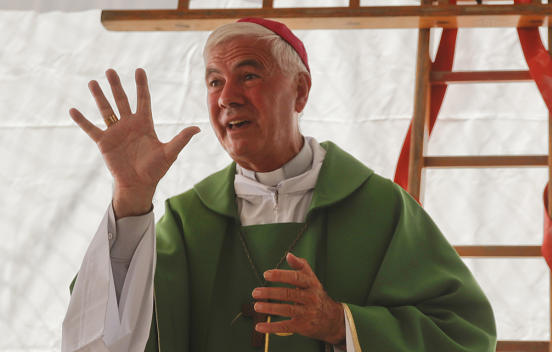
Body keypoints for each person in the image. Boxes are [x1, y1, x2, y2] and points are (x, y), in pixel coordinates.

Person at [62, 18, 497, 351]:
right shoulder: (187, 221)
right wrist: (131, 197)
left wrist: (339, 322)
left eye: (248, 75)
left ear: (301, 92)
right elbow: (105, 330)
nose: (227, 96)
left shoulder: (378, 207)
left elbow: (465, 334)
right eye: (214, 81)